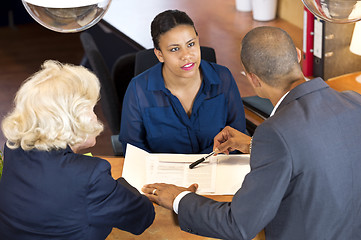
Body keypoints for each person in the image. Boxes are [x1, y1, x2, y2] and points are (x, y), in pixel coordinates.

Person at [142, 26, 361, 239]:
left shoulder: (275, 133)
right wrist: (254, 145)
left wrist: (179, 198)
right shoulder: (354, 101)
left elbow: (237, 224)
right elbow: (323, 148)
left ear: (253, 79)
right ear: (298, 54)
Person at [0, 60, 155, 239]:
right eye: (91, 109)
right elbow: (143, 217)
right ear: (71, 120)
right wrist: (119, 185)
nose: (95, 116)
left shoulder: (14, 148)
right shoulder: (90, 175)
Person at [119, 9, 246, 154]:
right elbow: (133, 152)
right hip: (162, 175)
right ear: (160, 55)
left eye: (191, 44)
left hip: (216, 170)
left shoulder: (223, 78)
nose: (186, 55)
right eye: (174, 49)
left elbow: (238, 138)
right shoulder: (138, 90)